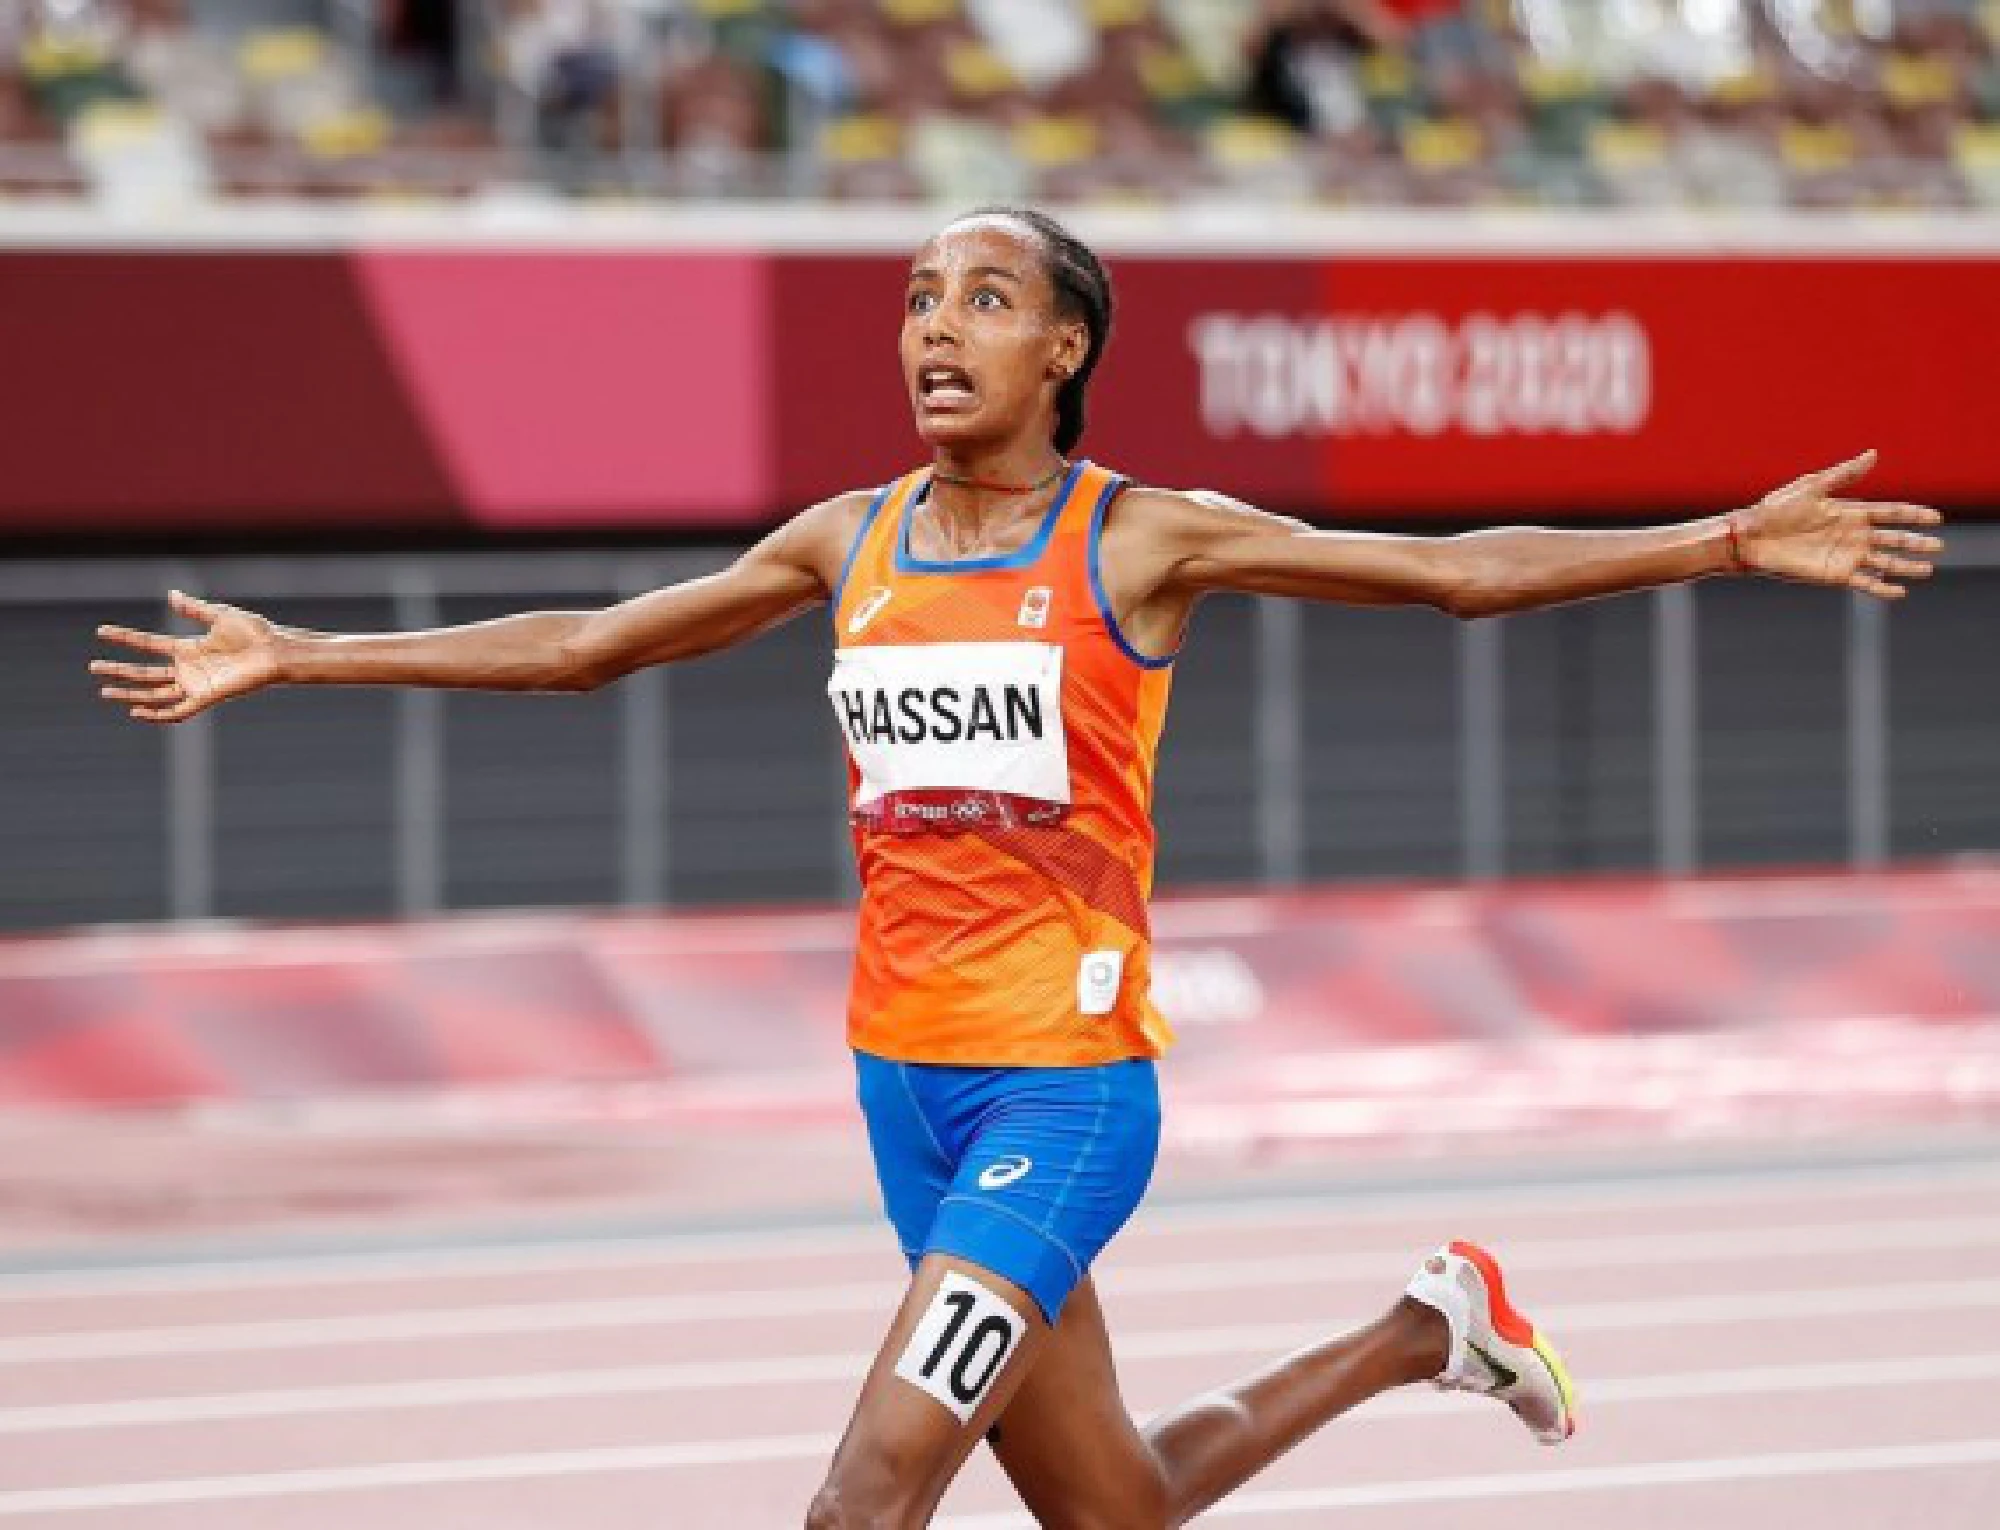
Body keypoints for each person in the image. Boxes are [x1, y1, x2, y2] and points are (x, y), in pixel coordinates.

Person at [91, 207, 1943, 1528]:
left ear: (1064, 349)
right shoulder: (848, 536)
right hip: (901, 1081)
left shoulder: (1141, 540)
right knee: (1116, 1507)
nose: (934, 325)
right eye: (916, 296)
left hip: (1063, 1089)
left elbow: (1451, 570)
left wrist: (1716, 538)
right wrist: (306, 654)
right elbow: (591, 642)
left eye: (984, 296)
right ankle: (1425, 1326)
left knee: (864, 1495)